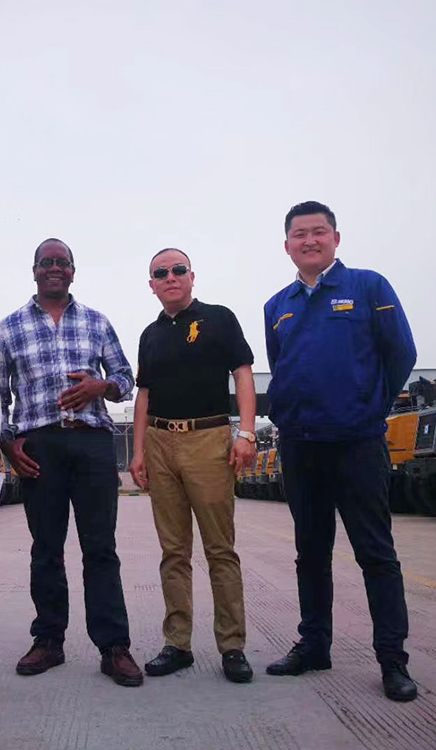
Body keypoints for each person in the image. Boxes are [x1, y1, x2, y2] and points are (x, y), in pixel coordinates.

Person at [263, 201, 418, 702]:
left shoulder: (369, 287)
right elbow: (281, 367)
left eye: (318, 232)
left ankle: (392, 660)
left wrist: (368, 408)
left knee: (375, 553)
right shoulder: (277, 306)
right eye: (299, 234)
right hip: (301, 447)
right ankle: (314, 645)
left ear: (335, 238)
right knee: (311, 552)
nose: (309, 241)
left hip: (357, 444)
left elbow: (402, 355)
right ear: (286, 244)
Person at [0, 238, 144, 688]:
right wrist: (7, 444)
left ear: (73, 271)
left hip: (93, 446)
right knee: (46, 548)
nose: (54, 268)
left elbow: (126, 379)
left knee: (100, 548)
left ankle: (114, 647)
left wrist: (101, 387)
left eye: (62, 262)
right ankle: (49, 641)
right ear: (34, 270)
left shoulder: (96, 322)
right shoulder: (8, 329)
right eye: (47, 262)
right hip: (39, 448)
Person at [129, 248, 258, 683]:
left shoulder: (219, 318)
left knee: (220, 549)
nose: (170, 277)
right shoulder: (149, 334)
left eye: (177, 270)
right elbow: (143, 394)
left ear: (192, 276)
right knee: (174, 551)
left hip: (209, 439)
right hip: (161, 442)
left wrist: (246, 432)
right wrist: (139, 449)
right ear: (151, 284)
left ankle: (232, 646)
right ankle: (177, 643)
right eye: (160, 273)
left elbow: (242, 373)